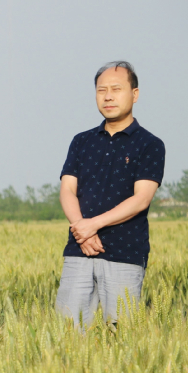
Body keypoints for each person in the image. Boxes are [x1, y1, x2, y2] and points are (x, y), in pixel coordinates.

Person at [56, 61, 164, 327]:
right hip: (79, 250)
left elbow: (141, 199)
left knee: (121, 335)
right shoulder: (81, 141)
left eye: (116, 89)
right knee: (65, 334)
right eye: (101, 90)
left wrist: (92, 225)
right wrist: (82, 230)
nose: (108, 96)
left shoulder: (150, 144)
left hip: (124, 254)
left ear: (134, 94)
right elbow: (67, 189)